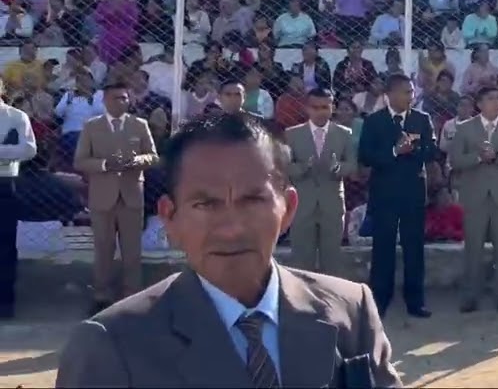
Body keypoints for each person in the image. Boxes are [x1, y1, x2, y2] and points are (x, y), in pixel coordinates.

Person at [54, 113, 402, 387]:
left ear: (288, 209)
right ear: (170, 217)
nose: (232, 227)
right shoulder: (111, 343)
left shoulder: (350, 312)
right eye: (206, 204)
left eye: (252, 201)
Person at [72, 82, 158, 313]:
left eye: (124, 98)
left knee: (132, 249)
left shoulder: (139, 125)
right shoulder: (91, 127)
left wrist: (137, 161)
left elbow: (153, 156)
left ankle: (133, 297)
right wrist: (104, 164)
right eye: (115, 98)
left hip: (131, 195)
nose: (120, 102)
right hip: (102, 195)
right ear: (105, 101)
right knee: (103, 248)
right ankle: (101, 296)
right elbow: (79, 161)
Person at [358, 73, 437, 318]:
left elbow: (432, 151)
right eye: (405, 92)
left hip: (413, 192)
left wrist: (412, 150)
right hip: (385, 194)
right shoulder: (374, 121)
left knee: (414, 246)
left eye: (412, 92)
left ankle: (415, 300)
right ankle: (379, 299)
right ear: (389, 94)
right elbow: (365, 155)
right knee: (383, 247)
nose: (410, 96)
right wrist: (394, 151)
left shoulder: (422, 119)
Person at [449, 85, 498, 313]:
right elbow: (455, 160)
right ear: (479, 104)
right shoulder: (464, 128)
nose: (497, 102)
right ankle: (470, 294)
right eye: (492, 98)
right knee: (473, 247)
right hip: (475, 195)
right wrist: (478, 158)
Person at [284, 88, 356, 276]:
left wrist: (336, 168)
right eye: (315, 107)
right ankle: (300, 302)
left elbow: (351, 165)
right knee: (301, 260)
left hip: (331, 203)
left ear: (332, 108)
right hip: (302, 205)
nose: (320, 111)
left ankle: (329, 301)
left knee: (332, 260)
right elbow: (284, 167)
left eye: (325, 107)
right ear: (307, 108)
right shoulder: (292, 134)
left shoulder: (344, 133)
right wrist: (303, 168)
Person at [0, 78, 36, 319]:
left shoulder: (16, 117)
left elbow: (29, 149)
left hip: (5, 185)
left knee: (4, 246)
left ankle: (4, 303)